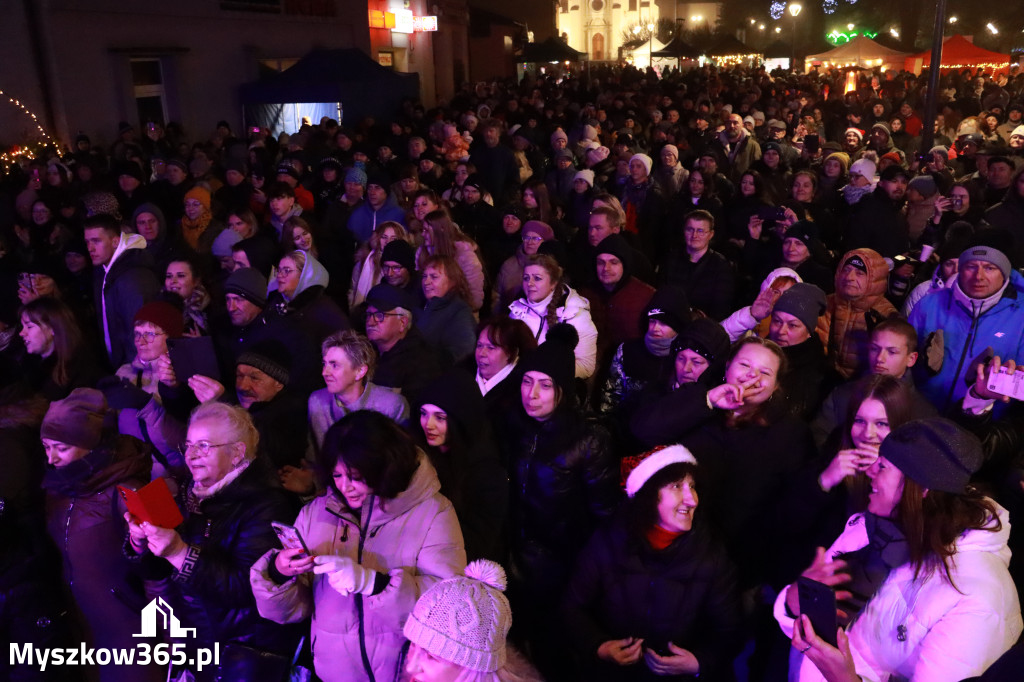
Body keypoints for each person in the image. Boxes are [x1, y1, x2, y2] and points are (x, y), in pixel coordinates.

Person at [777, 418, 1022, 682]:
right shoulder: (871, 526)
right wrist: (795, 602)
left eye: (882, 466)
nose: (870, 471)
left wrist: (843, 679)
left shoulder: (978, 600)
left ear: (920, 488)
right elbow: (825, 630)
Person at [249, 410, 467, 682]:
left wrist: (373, 584)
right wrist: (281, 572)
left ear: (384, 466)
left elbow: (449, 605)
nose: (345, 487)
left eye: (355, 476)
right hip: (333, 673)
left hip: (403, 672)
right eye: (337, 475)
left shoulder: (433, 512)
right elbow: (290, 612)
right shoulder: (316, 512)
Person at [127, 402, 303, 681]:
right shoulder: (189, 494)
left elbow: (244, 588)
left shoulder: (267, 505)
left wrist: (179, 552)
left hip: (245, 655)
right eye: (189, 445)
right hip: (198, 646)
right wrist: (141, 543)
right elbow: (160, 572)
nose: (192, 455)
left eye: (205, 446)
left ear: (236, 453)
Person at [631, 336, 817, 589]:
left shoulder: (791, 434)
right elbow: (643, 430)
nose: (752, 377)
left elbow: (788, 508)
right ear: (727, 366)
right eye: (744, 366)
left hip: (733, 565)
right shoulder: (697, 398)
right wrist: (708, 401)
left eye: (765, 372)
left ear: (775, 386)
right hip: (669, 549)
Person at [562, 445, 741, 680]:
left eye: (693, 487)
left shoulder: (711, 556)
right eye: (677, 486)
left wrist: (698, 663)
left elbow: (730, 630)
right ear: (648, 495)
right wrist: (601, 647)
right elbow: (572, 608)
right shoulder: (608, 543)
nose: (692, 500)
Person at [503, 323, 620, 680]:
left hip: (562, 564)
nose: (531, 394)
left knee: (555, 650)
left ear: (562, 391)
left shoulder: (588, 439)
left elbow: (604, 514)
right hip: (513, 556)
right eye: (526, 381)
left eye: (544, 385)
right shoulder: (513, 424)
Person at [41, 389, 164, 682]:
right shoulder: (56, 486)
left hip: (132, 630)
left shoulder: (138, 486)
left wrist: (171, 638)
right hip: (84, 626)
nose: (51, 458)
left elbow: (171, 565)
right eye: (45, 447)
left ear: (89, 444)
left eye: (60, 447)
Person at [909, 243, 1024, 412]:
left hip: (980, 425)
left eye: (990, 268)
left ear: (1004, 274)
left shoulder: (1020, 317)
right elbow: (902, 358)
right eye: (971, 266)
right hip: (922, 413)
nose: (979, 276)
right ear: (960, 271)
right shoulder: (929, 304)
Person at [414, 370, 509, 562]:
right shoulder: (417, 455)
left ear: (461, 420)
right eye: (424, 414)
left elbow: (480, 540)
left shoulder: (487, 472)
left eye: (440, 417)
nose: (428, 424)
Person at [308, 329, 410, 451]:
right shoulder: (317, 401)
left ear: (360, 371)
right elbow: (315, 456)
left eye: (334, 365)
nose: (325, 372)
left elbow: (401, 458)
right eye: (325, 364)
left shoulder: (392, 405)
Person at [85, 213, 161, 368]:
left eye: (96, 241)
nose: (90, 248)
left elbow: (140, 334)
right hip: (121, 366)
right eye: (87, 242)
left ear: (115, 241)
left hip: (136, 370)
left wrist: (134, 373)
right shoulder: (104, 271)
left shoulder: (133, 278)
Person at [508, 253, 599, 379]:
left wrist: (546, 373)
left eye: (537, 278)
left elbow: (585, 366)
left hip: (554, 387)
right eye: (526, 278)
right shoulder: (517, 310)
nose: (530, 283)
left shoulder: (575, 315)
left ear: (553, 284)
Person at [823, 249, 897, 379]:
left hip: (863, 385)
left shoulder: (886, 316)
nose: (849, 277)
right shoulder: (826, 303)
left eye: (859, 273)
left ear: (874, 279)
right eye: (846, 270)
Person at [364, 282, 441, 399]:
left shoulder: (421, 364)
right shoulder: (364, 351)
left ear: (403, 322)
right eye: (369, 314)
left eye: (380, 315)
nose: (370, 322)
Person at [18, 296, 102, 401]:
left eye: (29, 327)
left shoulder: (79, 371)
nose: (22, 333)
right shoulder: (29, 367)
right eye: (22, 327)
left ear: (53, 328)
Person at [265, 250, 349, 345]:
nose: (279, 275)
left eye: (286, 271)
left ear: (304, 276)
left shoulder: (324, 312)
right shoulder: (276, 303)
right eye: (279, 270)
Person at [416, 255, 478, 365]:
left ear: (452, 281)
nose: (426, 282)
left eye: (434, 277)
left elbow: (464, 351)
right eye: (424, 276)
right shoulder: (419, 305)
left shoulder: (460, 312)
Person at [348, 221, 409, 309]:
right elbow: (353, 290)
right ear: (377, 239)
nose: (388, 242)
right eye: (384, 237)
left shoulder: (406, 264)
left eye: (393, 238)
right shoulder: (364, 261)